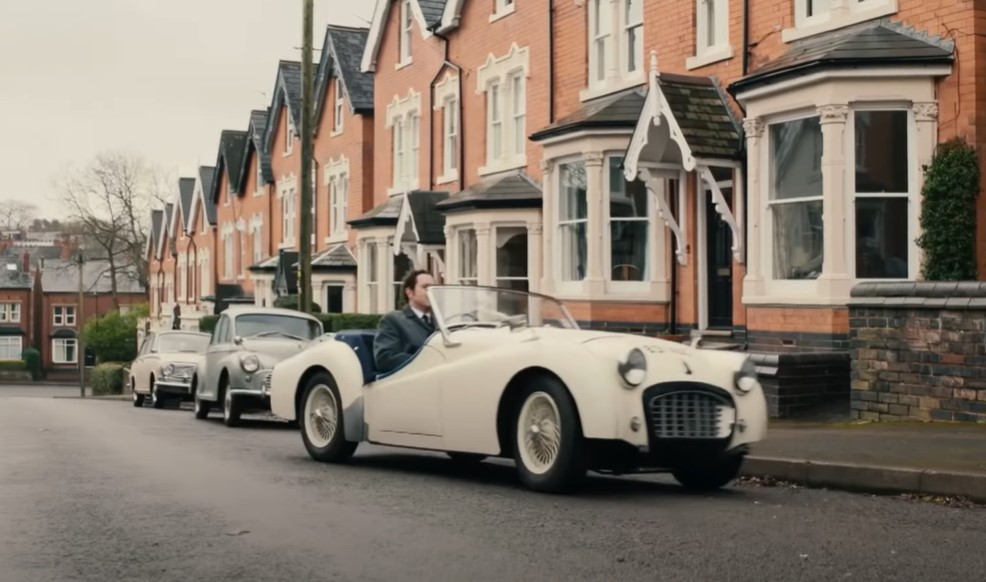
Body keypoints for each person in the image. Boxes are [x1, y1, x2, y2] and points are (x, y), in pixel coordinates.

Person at [373, 269, 436, 374]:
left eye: (433, 288)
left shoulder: (443, 322)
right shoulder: (393, 320)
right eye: (425, 287)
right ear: (410, 292)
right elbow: (385, 359)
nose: (431, 292)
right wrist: (426, 362)